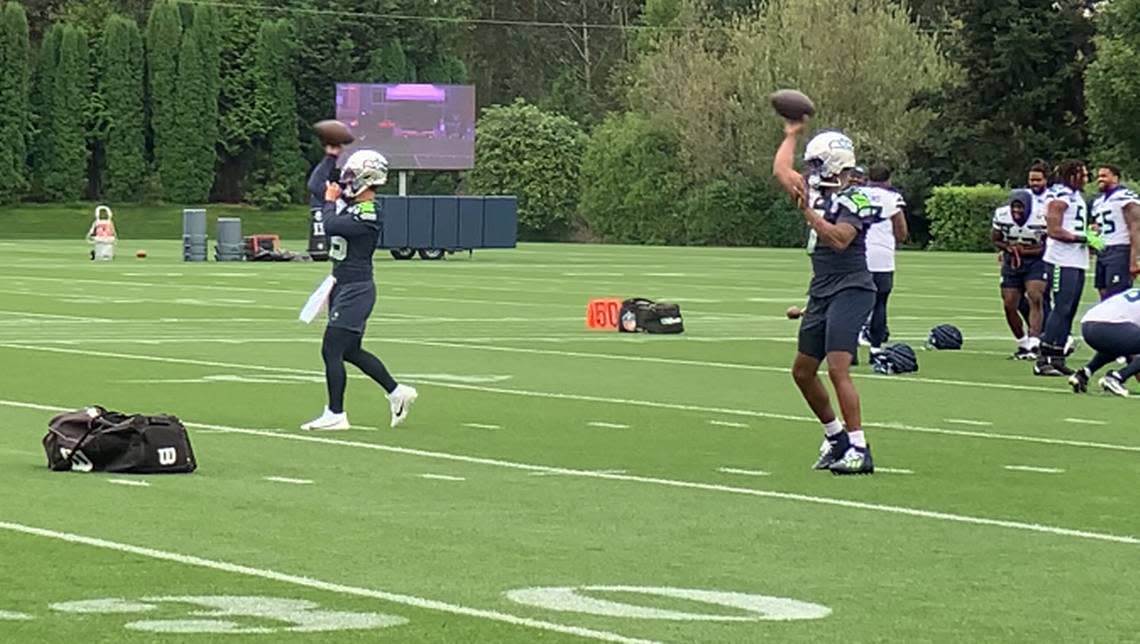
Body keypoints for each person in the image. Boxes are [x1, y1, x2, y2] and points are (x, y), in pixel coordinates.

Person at [773, 122, 877, 475]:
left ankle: (859, 447)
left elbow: (840, 238)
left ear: (835, 163)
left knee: (837, 368)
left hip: (852, 287)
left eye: (817, 165)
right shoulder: (819, 194)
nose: (810, 172)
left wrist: (806, 211)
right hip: (821, 288)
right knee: (802, 372)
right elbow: (780, 171)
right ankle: (835, 437)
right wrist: (790, 134)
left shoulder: (858, 197)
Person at [301, 149, 418, 431]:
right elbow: (315, 185)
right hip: (342, 285)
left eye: (352, 175)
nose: (346, 180)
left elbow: (330, 225)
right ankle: (396, 391)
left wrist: (329, 203)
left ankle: (336, 413)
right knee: (350, 351)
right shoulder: (350, 202)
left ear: (367, 178)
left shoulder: (369, 211)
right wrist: (330, 157)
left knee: (331, 349)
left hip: (356, 288)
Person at [1035, 160, 1105, 376]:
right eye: (1083, 174)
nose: (1087, 178)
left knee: (1070, 310)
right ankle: (1042, 358)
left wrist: (1089, 232)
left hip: (1076, 260)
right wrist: (1083, 237)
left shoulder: (1076, 197)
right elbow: (1054, 230)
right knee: (1061, 308)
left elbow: (1071, 225)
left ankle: (1057, 356)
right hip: (1060, 260)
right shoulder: (1060, 197)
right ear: (1073, 175)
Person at [992, 190, 1048, 359]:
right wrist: (1008, 248)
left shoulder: (1041, 215)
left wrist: (1029, 250)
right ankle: (1022, 343)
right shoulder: (1002, 215)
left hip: (1036, 262)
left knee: (1035, 297)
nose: (1017, 212)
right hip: (1012, 262)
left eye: (1020, 208)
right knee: (1009, 304)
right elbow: (996, 239)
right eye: (1014, 208)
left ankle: (1034, 342)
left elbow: (1050, 243)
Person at [861, 164, 908, 354]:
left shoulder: (856, 194)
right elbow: (901, 231)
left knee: (854, 303)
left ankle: (850, 350)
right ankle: (875, 349)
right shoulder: (892, 198)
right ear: (888, 180)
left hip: (859, 254)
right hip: (883, 257)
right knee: (880, 302)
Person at [1069, 288, 1140, 397]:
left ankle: (1084, 373)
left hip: (1087, 325)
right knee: (1120, 340)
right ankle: (1116, 377)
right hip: (1107, 327)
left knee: (1118, 343)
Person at [1090, 164, 1140, 300]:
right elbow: (1099, 226)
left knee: (1117, 297)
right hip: (1102, 250)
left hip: (1120, 249)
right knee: (1103, 294)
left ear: (1116, 178)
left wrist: (1133, 259)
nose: (1100, 179)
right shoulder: (1098, 201)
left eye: (1104, 176)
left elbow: (1135, 227)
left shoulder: (1125, 197)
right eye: (1099, 176)